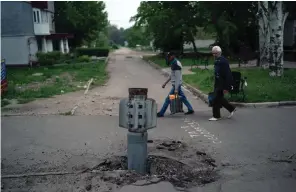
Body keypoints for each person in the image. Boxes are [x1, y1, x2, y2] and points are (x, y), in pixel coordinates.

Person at [157, 52, 194, 117]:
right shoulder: (173, 63)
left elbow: (177, 78)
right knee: (183, 98)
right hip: (176, 85)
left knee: (168, 99)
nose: (168, 58)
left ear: (173, 56)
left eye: (169, 57)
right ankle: (190, 109)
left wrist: (176, 89)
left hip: (176, 86)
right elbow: (172, 75)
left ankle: (161, 113)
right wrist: (165, 83)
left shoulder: (176, 64)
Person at [210, 46, 236, 121]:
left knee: (216, 99)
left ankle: (216, 116)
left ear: (218, 53)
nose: (213, 55)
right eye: (213, 53)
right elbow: (217, 73)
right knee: (219, 98)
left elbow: (228, 75)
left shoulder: (223, 62)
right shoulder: (217, 61)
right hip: (218, 83)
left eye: (215, 53)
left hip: (222, 84)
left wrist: (226, 87)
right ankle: (231, 108)